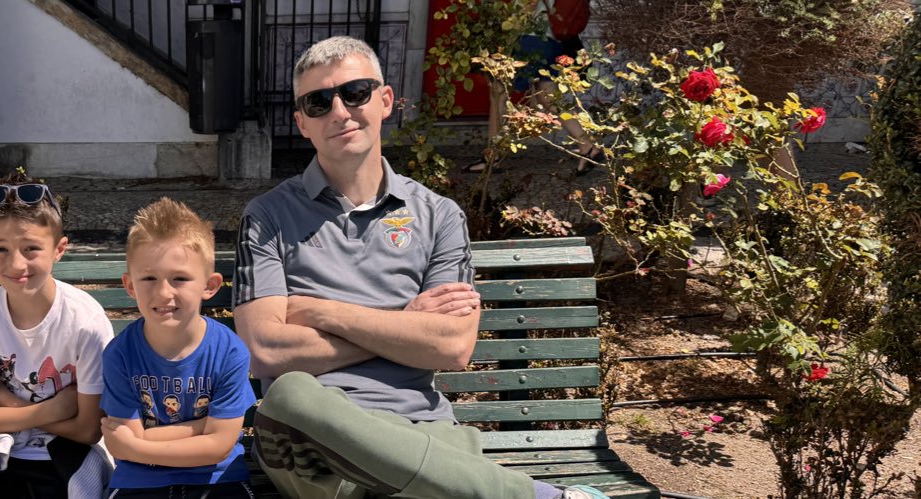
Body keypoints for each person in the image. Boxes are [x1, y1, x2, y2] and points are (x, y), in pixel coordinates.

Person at [233, 36, 608, 499]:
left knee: (417, 464)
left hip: (421, 429)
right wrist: (404, 327)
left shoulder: (439, 215)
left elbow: (451, 346)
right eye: (318, 102)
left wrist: (325, 313)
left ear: (385, 100)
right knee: (291, 393)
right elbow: (266, 350)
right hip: (311, 449)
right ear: (302, 123)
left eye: (355, 92)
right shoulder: (267, 217)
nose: (339, 111)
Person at [0, 175, 115, 499]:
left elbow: (88, 430)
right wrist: (49, 411)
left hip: (70, 452)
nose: (16, 264)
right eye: (1, 249)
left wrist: (4, 402)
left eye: (31, 248)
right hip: (3, 445)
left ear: (59, 249)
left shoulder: (86, 321)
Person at [99, 198, 258, 499]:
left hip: (218, 476)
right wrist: (203, 428)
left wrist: (139, 444)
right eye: (149, 278)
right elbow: (121, 444)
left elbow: (218, 447)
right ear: (130, 286)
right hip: (140, 480)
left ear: (209, 286)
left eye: (180, 279)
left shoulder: (229, 352)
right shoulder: (120, 354)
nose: (163, 292)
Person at [466, 0, 602, 175]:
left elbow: (526, 6)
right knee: (548, 97)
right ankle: (588, 147)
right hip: (548, 39)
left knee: (498, 91)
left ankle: (492, 157)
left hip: (529, 39)